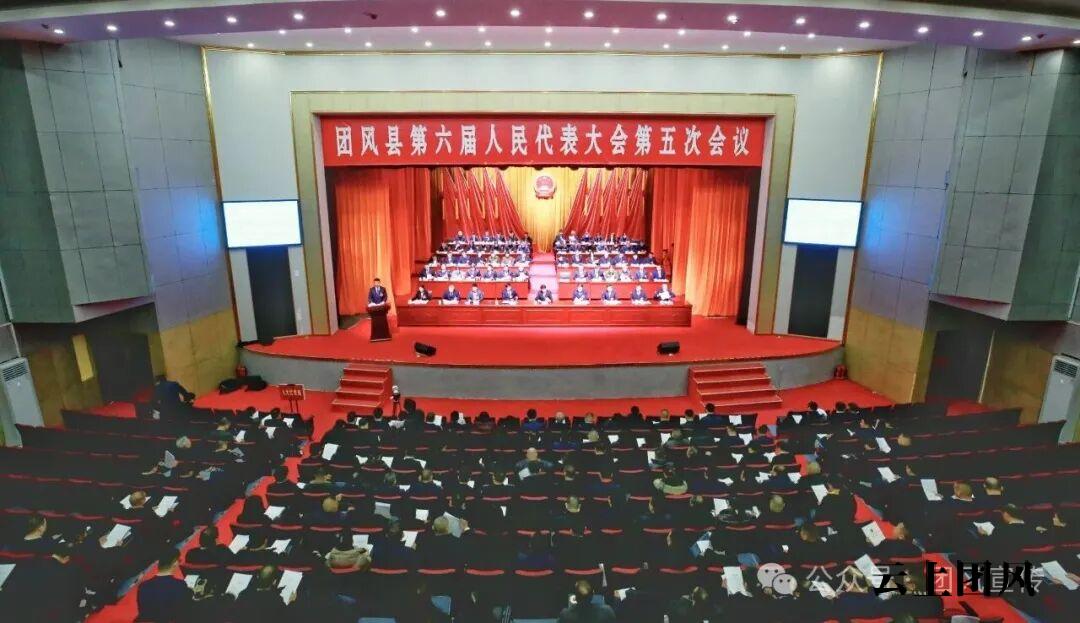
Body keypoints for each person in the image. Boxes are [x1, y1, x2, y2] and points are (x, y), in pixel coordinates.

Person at [137, 549, 194, 622]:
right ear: (175, 563)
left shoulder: (143, 586)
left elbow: (143, 612)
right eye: (179, 560)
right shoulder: (179, 585)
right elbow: (182, 611)